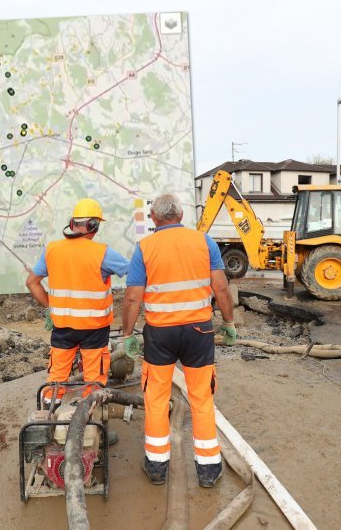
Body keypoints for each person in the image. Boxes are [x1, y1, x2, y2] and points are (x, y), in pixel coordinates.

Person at [121, 193, 236, 488]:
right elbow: (221, 288)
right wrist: (229, 322)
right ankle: (208, 469)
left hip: (160, 334)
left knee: (156, 397)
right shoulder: (204, 242)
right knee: (201, 397)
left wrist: (127, 334)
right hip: (199, 332)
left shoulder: (144, 247)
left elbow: (133, 296)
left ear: (154, 218)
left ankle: (157, 466)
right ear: (181, 215)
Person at [25, 198, 130, 412]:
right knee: (93, 381)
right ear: (94, 225)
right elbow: (132, 271)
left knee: (56, 377)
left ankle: (47, 418)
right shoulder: (103, 253)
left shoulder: (52, 250)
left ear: (72, 224)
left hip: (63, 328)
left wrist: (51, 307)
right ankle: (90, 424)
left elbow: (32, 282)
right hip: (94, 329)